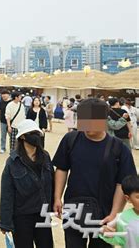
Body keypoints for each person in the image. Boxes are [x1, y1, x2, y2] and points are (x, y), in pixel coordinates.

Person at [52, 98, 137, 248]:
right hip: (74, 211)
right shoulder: (71, 140)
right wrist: (57, 197)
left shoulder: (119, 148)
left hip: (104, 215)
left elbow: (122, 183)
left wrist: (114, 214)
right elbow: (62, 168)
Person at [0, 119, 53, 247]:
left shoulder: (45, 157)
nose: (36, 136)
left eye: (37, 133)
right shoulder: (12, 162)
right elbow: (7, 193)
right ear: (22, 136)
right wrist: (5, 222)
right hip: (22, 216)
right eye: (32, 133)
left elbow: (52, 184)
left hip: (43, 214)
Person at [100, 174, 139, 247]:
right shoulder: (123, 218)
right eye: (138, 197)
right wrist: (106, 234)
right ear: (128, 198)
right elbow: (119, 239)